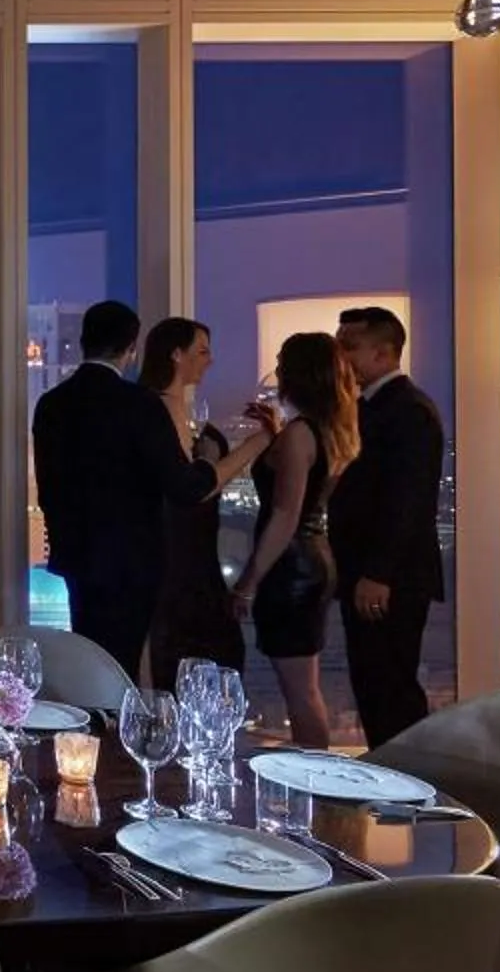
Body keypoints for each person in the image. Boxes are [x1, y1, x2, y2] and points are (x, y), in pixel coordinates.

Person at [32, 301, 276, 682]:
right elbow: (186, 487)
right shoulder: (138, 404)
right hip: (131, 562)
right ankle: (115, 737)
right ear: (131, 349)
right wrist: (250, 447)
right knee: (122, 666)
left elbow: (50, 487)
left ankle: (91, 736)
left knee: (92, 659)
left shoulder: (52, 404)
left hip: (76, 555)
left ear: (84, 342)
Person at [230, 332, 359, 748]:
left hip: (291, 569)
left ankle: (315, 786)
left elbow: (285, 515)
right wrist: (278, 431)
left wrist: (249, 581)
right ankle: (315, 779)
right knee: (305, 685)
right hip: (315, 559)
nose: (278, 369)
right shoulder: (329, 431)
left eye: (284, 361)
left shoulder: (300, 436)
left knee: (299, 690)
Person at [329, 304, 447, 747]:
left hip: (388, 580)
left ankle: (412, 789)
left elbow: (408, 502)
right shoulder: (377, 408)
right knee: (375, 684)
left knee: (390, 688)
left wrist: (378, 573)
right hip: (372, 575)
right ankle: (398, 785)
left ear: (384, 352)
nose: (340, 356)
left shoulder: (407, 411)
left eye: (349, 346)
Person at [137, 317, 245, 678]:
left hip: (196, 553)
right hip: (174, 555)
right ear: (176, 355)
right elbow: (193, 487)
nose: (210, 360)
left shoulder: (179, 410)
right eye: (202, 351)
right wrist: (260, 442)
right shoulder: (157, 411)